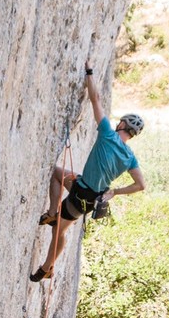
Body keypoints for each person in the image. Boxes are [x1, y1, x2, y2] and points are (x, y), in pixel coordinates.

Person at [31, 63, 145, 281]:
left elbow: (96, 99)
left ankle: (47, 268)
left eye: (121, 122)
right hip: (88, 194)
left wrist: (89, 73)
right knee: (57, 173)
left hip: (81, 195)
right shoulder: (130, 158)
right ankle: (52, 213)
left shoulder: (108, 134)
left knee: (59, 231)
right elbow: (141, 185)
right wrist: (115, 192)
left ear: (122, 124)